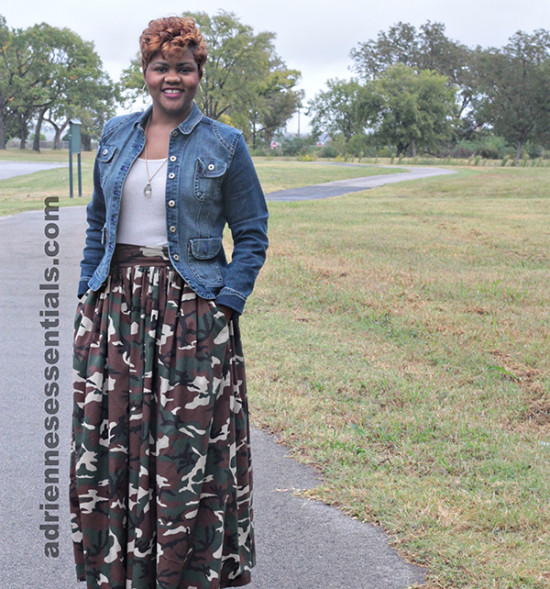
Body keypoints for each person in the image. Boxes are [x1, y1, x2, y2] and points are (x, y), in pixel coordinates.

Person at [70, 16, 268, 589]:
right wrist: (88, 293)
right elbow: (96, 226)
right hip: (117, 309)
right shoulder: (115, 134)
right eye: (162, 67)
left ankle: (188, 570)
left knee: (186, 445)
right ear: (146, 72)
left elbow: (251, 233)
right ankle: (123, 569)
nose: (172, 78)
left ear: (199, 72)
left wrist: (227, 303)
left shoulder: (225, 143)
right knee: (110, 446)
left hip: (191, 312)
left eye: (184, 67)